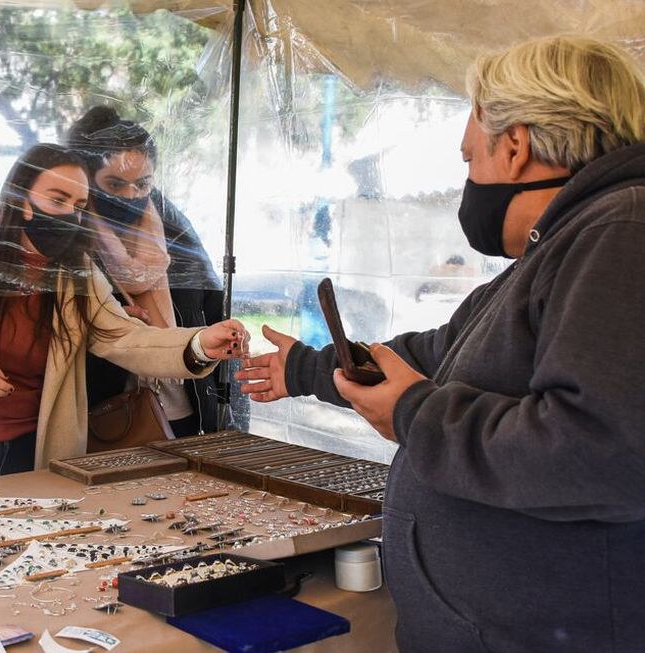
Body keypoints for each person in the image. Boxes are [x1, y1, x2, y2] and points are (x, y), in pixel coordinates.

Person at [237, 36, 645, 652]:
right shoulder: (565, 245)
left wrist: (414, 413)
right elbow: (439, 353)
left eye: (468, 159)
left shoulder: (620, 231)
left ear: (516, 147)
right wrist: (312, 369)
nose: (468, 181)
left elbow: (597, 455)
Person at [0, 143, 247, 488]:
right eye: (57, 200)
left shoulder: (74, 272)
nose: (69, 216)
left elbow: (123, 336)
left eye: (79, 207)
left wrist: (199, 343)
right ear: (20, 200)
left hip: (36, 453)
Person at [66, 105, 227, 436]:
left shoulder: (174, 231)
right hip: (107, 416)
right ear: (90, 180)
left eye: (142, 185)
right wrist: (114, 320)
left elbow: (211, 311)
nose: (130, 196)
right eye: (114, 185)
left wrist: (225, 413)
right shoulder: (72, 238)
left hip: (187, 409)